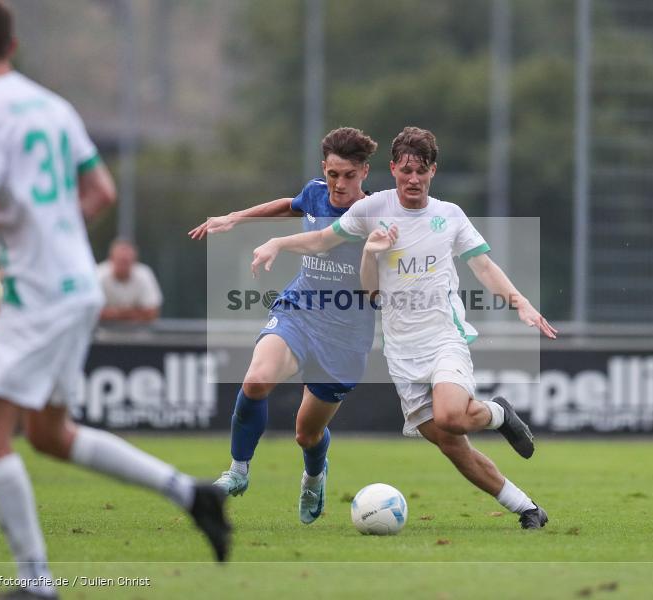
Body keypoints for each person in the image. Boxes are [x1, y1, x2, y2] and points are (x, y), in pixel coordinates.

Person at [0, 2, 229, 597]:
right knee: (50, 434)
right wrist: (54, 229)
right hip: (78, 283)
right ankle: (193, 494)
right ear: (14, 44)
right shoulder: (53, 106)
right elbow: (100, 190)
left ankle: (37, 583)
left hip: (41, 291)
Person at [251, 126, 556, 529]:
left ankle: (497, 414)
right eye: (406, 170)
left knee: (451, 417)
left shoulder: (449, 216)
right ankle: (527, 509)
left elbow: (483, 265)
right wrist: (279, 243)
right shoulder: (372, 209)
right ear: (393, 168)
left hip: (443, 337)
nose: (414, 179)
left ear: (433, 171)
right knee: (448, 442)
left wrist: (521, 303)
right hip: (401, 349)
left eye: (422, 171)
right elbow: (332, 252)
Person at [189, 127, 378, 524]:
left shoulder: (374, 213)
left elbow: (328, 244)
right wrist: (234, 218)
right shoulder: (315, 192)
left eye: (348, 175)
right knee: (256, 379)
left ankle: (313, 476)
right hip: (301, 308)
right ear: (324, 169)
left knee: (306, 434)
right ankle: (238, 471)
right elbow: (290, 204)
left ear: (364, 171)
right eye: (332, 174)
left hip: (346, 332)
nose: (338, 184)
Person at [97, 238, 163, 322]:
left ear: (134, 260)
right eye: (120, 260)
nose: (123, 265)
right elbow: (93, 312)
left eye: (126, 261)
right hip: (103, 334)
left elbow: (152, 312)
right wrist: (135, 313)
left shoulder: (144, 274)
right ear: (111, 259)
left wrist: (113, 313)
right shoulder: (99, 275)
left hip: (138, 333)